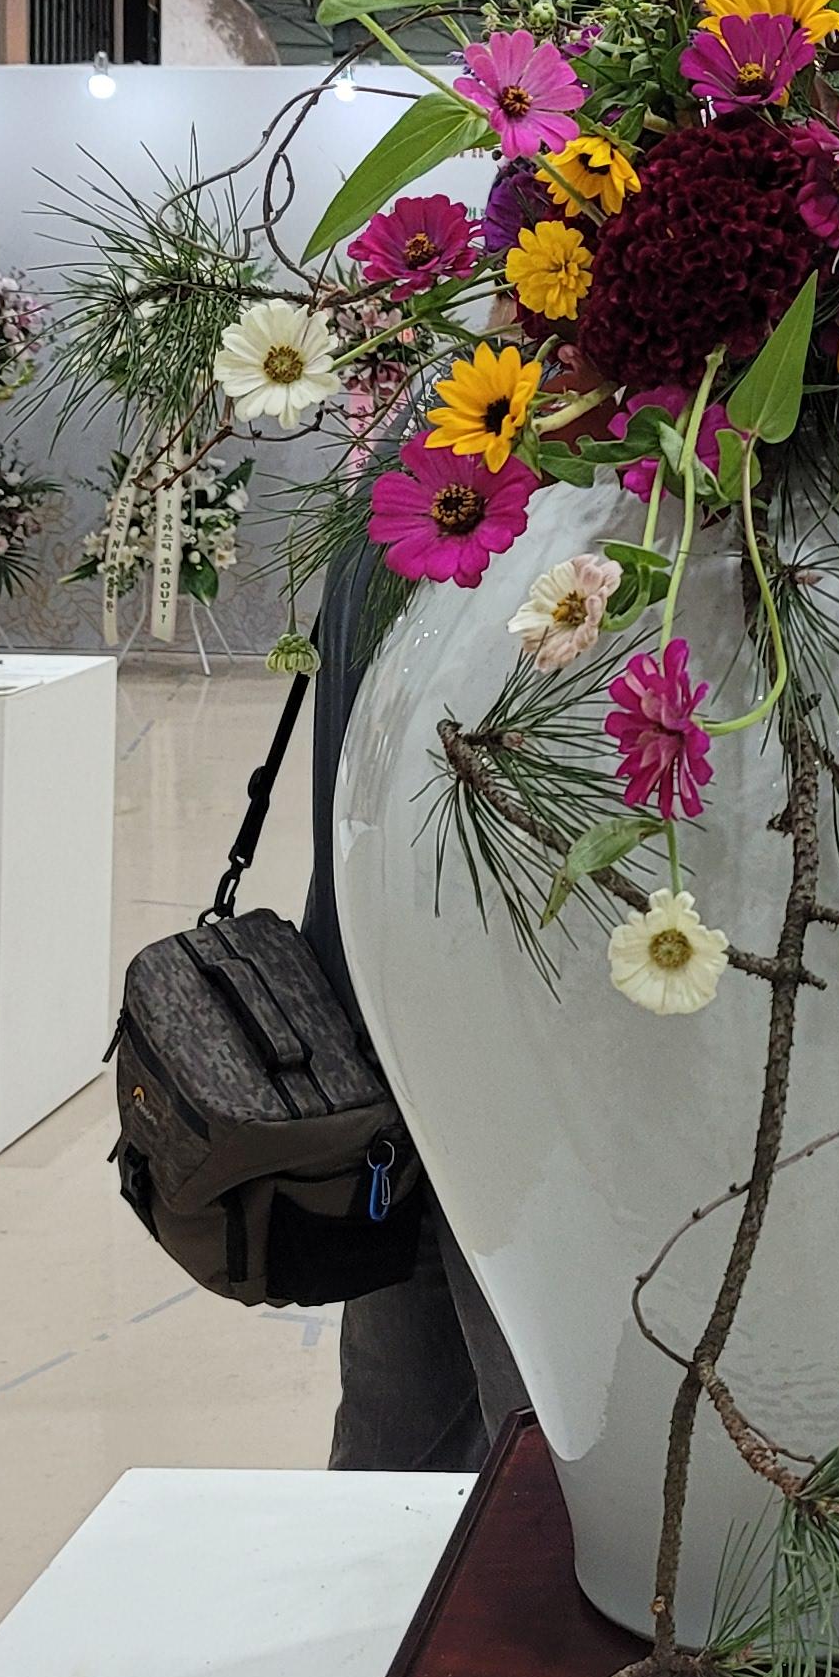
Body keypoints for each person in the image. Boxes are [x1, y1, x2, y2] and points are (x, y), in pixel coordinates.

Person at [302, 532, 531, 1474]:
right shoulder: (549, 532)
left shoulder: (388, 517)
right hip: (501, 1054)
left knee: (399, 1405)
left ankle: (376, 1566)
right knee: (542, 1419)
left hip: (376, 1021)